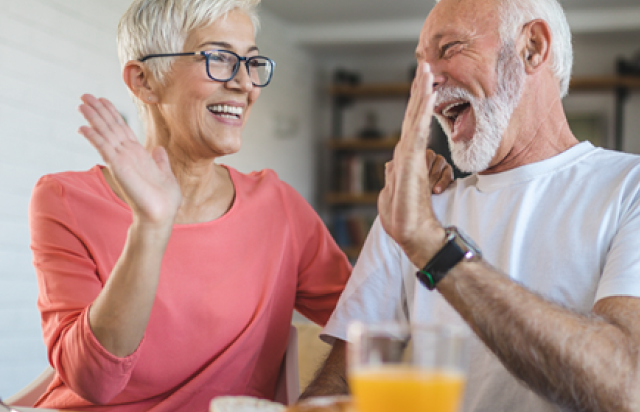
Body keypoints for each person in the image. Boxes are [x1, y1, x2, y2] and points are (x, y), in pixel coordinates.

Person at [28, 0, 453, 411]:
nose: (245, 84)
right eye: (219, 59)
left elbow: (378, 320)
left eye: (251, 63)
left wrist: (411, 222)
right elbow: (94, 383)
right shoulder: (64, 200)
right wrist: (150, 228)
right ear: (144, 81)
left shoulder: (278, 208)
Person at [302, 0, 640, 411]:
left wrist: (432, 248)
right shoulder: (417, 207)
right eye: (421, 66)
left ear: (532, 47)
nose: (427, 82)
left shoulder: (629, 188)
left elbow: (627, 384)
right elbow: (343, 383)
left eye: (449, 49)